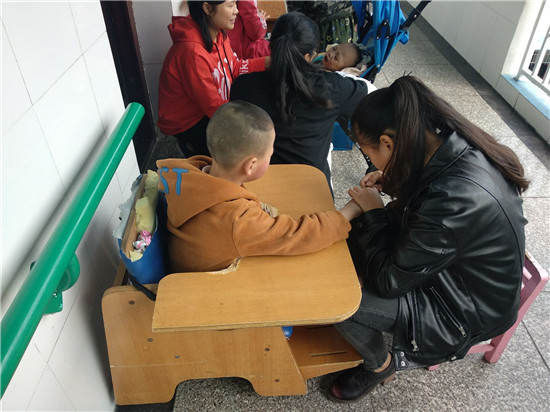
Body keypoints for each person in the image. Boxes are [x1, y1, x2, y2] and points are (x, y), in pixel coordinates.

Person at [327, 75, 529, 402]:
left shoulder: (454, 199)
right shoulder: (452, 142)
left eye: (369, 153)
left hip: (466, 309)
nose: (371, 162)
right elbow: (432, 196)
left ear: (388, 143)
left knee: (337, 301)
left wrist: (375, 212)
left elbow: (390, 281)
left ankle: (380, 366)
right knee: (352, 244)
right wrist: (394, 180)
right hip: (459, 269)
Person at [156, 101, 364, 273]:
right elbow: (297, 235)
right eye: (270, 153)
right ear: (251, 165)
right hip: (203, 291)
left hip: (182, 267)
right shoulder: (237, 221)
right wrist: (350, 211)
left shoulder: (189, 171)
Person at [230, 12, 374, 187]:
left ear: (271, 45)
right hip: (312, 187)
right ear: (308, 57)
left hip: (256, 184)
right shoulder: (333, 87)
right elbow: (373, 94)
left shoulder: (243, 86)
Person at [158, 1, 270, 158]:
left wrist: (269, 62)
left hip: (211, 109)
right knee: (247, 147)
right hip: (190, 124)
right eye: (230, 5)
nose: (236, 11)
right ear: (207, 8)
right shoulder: (191, 52)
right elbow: (214, 107)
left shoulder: (219, 35)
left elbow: (234, 67)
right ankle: (190, 149)